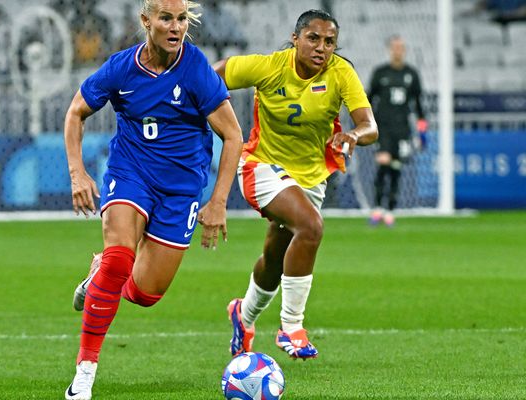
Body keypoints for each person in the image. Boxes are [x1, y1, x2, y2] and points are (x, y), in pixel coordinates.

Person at [62, 0, 242, 399]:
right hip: (131, 174)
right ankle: (84, 374)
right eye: (166, 18)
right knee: (120, 257)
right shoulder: (121, 68)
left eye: (182, 19)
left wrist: (218, 202)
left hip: (180, 189)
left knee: (145, 294)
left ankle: (99, 274)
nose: (176, 27)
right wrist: (78, 173)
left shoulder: (195, 69)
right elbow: (76, 112)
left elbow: (233, 136)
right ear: (146, 21)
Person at [213, 9, 378, 360]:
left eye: (329, 41)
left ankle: (242, 316)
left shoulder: (340, 72)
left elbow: (370, 126)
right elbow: (212, 77)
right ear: (295, 38)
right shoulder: (269, 66)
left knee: (275, 260)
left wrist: (352, 135)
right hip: (260, 166)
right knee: (312, 226)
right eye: (313, 38)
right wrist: (191, 113)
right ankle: (291, 327)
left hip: (311, 178)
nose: (321, 47)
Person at [368, 35, 427, 226]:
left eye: (401, 47)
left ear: (404, 50)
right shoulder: (380, 73)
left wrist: (422, 131)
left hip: (403, 130)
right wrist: (366, 124)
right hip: (382, 128)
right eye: (395, 47)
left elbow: (418, 105)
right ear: (390, 49)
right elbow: (368, 100)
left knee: (396, 168)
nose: (398, 50)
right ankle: (377, 207)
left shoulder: (411, 74)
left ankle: (390, 210)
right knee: (383, 164)